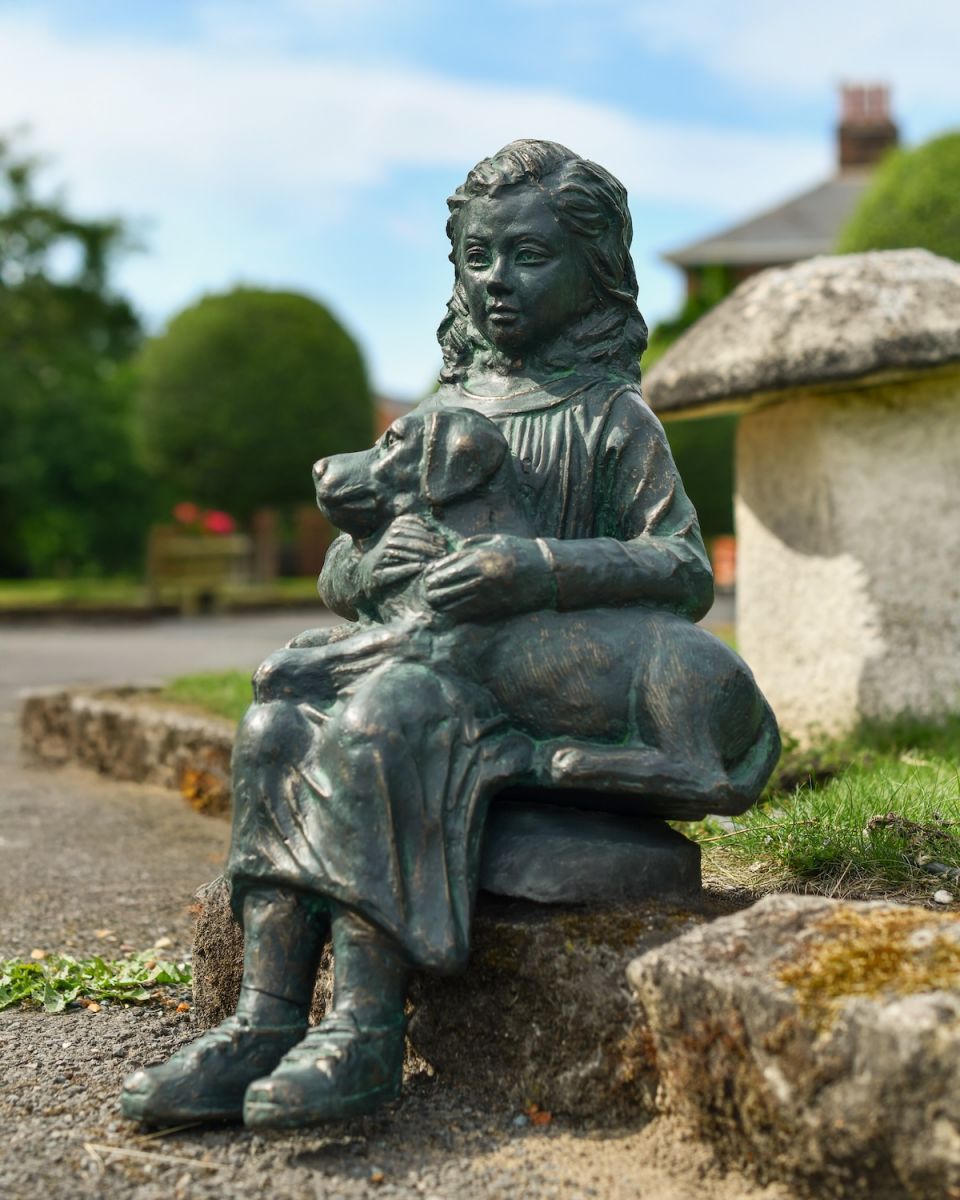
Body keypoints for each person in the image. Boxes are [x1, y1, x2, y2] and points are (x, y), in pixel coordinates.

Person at [121, 140, 778, 1130]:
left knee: (386, 717)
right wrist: (359, 568)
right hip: (429, 646)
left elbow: (681, 566)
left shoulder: (611, 417)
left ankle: (366, 1027)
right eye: (479, 258)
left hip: (524, 677)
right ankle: (263, 1017)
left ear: (594, 271)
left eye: (530, 256)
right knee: (272, 729)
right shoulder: (443, 410)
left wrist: (542, 568)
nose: (499, 282)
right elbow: (360, 558)